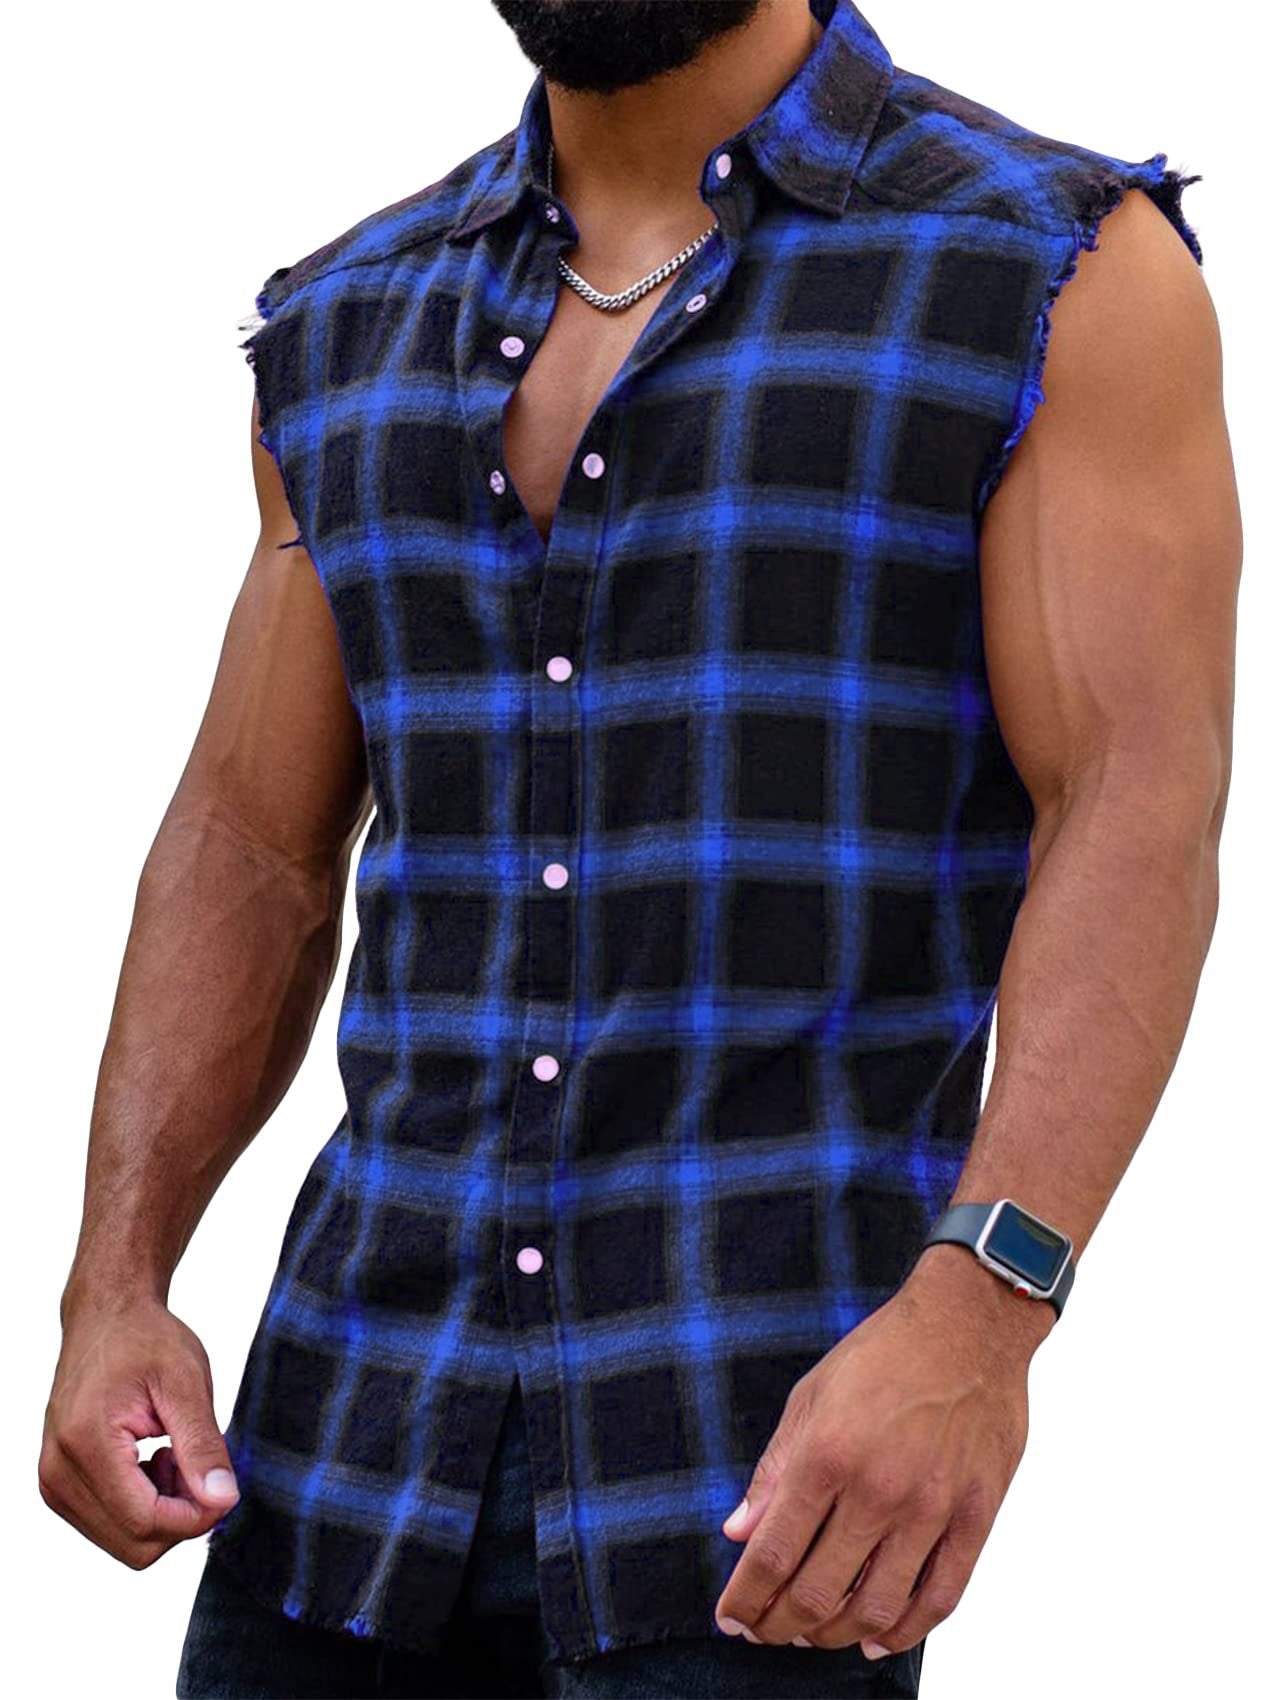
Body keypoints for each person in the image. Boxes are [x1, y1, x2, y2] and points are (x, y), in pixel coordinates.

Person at [39, 1, 1239, 1696]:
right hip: (339, 1470)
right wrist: (116, 1284)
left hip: (767, 1495)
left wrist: (985, 1310)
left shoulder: (1043, 269)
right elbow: (251, 841)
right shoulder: (349, 316)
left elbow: (1134, 802)